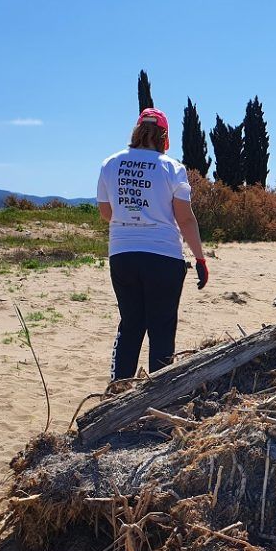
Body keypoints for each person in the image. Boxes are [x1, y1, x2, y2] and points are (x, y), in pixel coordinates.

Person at [97, 107, 208, 381]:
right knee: (161, 328)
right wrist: (200, 259)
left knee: (130, 325)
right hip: (163, 256)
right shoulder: (172, 168)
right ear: (164, 136)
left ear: (136, 131)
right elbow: (185, 218)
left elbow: (106, 212)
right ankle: (158, 395)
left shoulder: (110, 163)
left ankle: (118, 390)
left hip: (122, 254)